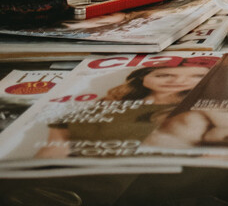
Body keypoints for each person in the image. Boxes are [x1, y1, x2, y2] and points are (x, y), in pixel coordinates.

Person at [39, 63, 214, 158]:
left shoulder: (200, 111)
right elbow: (52, 151)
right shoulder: (100, 107)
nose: (179, 81)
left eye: (197, 76)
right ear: (142, 79)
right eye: (164, 75)